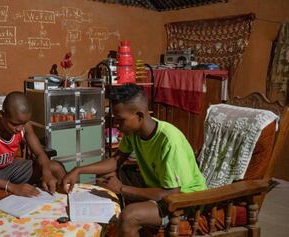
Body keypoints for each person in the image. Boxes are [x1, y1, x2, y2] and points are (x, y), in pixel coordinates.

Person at [62, 84, 207, 237]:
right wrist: (78, 170)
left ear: (139, 116)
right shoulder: (134, 132)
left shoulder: (169, 141)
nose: (117, 126)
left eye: (120, 120)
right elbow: (116, 160)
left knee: (129, 216)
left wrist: (121, 189)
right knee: (105, 178)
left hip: (185, 201)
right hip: (161, 190)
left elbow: (171, 193)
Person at [0, 91, 66, 233]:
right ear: (2, 114)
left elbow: (40, 152)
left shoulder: (23, 124)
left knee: (55, 168)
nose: (20, 129)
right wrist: (12, 187)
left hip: (10, 168)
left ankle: (58, 220)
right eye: (15, 124)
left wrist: (46, 172)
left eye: (23, 124)